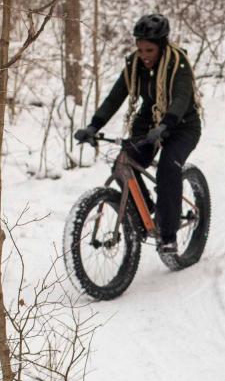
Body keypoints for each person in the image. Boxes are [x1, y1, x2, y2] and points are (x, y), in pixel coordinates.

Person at [74, 13, 202, 265]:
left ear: (162, 46)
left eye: (149, 49)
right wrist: (93, 125)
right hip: (149, 121)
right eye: (140, 47)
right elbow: (115, 96)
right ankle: (149, 210)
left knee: (168, 169)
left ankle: (168, 234)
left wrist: (166, 124)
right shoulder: (134, 65)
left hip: (182, 125)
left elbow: (180, 98)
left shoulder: (179, 64)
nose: (144, 54)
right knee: (124, 163)